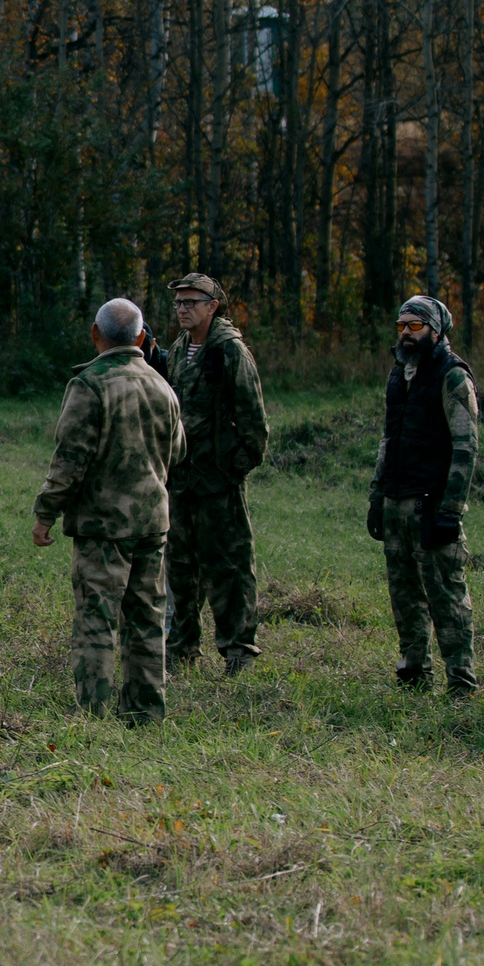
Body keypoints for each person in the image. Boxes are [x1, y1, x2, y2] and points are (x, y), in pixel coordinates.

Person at [31, 298, 184, 723]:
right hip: (152, 525)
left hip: (102, 528)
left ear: (95, 335)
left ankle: (94, 714)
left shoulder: (90, 386)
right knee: (147, 619)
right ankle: (146, 710)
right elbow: (178, 452)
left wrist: (46, 514)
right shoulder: (162, 387)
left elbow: (69, 461)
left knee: (97, 621)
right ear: (140, 337)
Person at [368, 295, 480, 695]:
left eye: (415, 326)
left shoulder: (452, 375)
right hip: (397, 499)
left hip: (431, 504)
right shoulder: (399, 373)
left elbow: (466, 447)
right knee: (405, 597)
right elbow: (388, 439)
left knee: (447, 597)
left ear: (436, 330)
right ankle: (413, 675)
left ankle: (461, 683)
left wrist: (451, 509)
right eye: (401, 326)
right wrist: (377, 496)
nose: (406, 334)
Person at [160, 274, 269, 677]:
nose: (183, 309)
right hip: (181, 479)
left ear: (213, 305)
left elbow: (255, 424)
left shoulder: (229, 351)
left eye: (191, 302)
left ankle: (238, 649)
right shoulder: (177, 350)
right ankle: (183, 646)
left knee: (229, 566)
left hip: (218, 481)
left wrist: (231, 470)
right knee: (181, 566)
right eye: (178, 303)